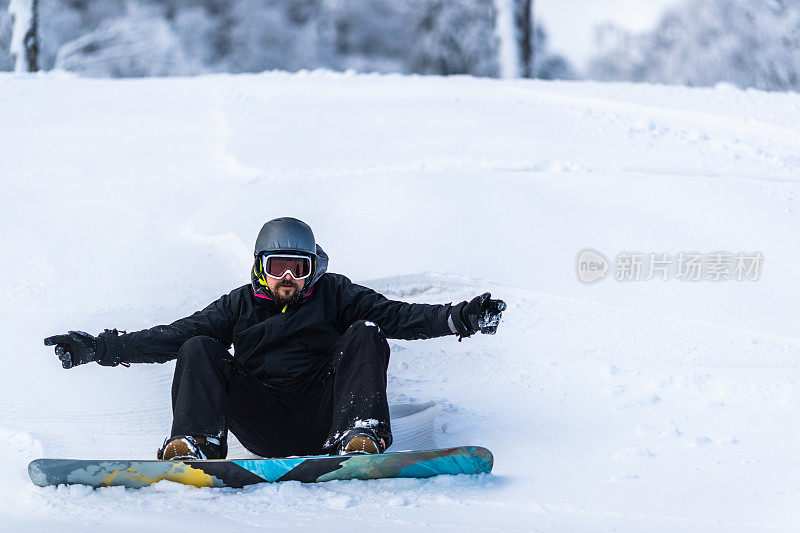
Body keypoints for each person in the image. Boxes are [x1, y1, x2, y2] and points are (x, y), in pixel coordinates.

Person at [44, 217, 506, 460]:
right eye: (277, 267)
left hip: (324, 416)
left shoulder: (335, 293)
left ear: (313, 269)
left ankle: (361, 435)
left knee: (367, 331)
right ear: (259, 267)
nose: (287, 278)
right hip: (260, 415)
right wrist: (98, 348)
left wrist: (461, 318)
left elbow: (398, 316)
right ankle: (196, 442)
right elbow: (173, 336)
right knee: (197, 345)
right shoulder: (238, 304)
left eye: (298, 268)